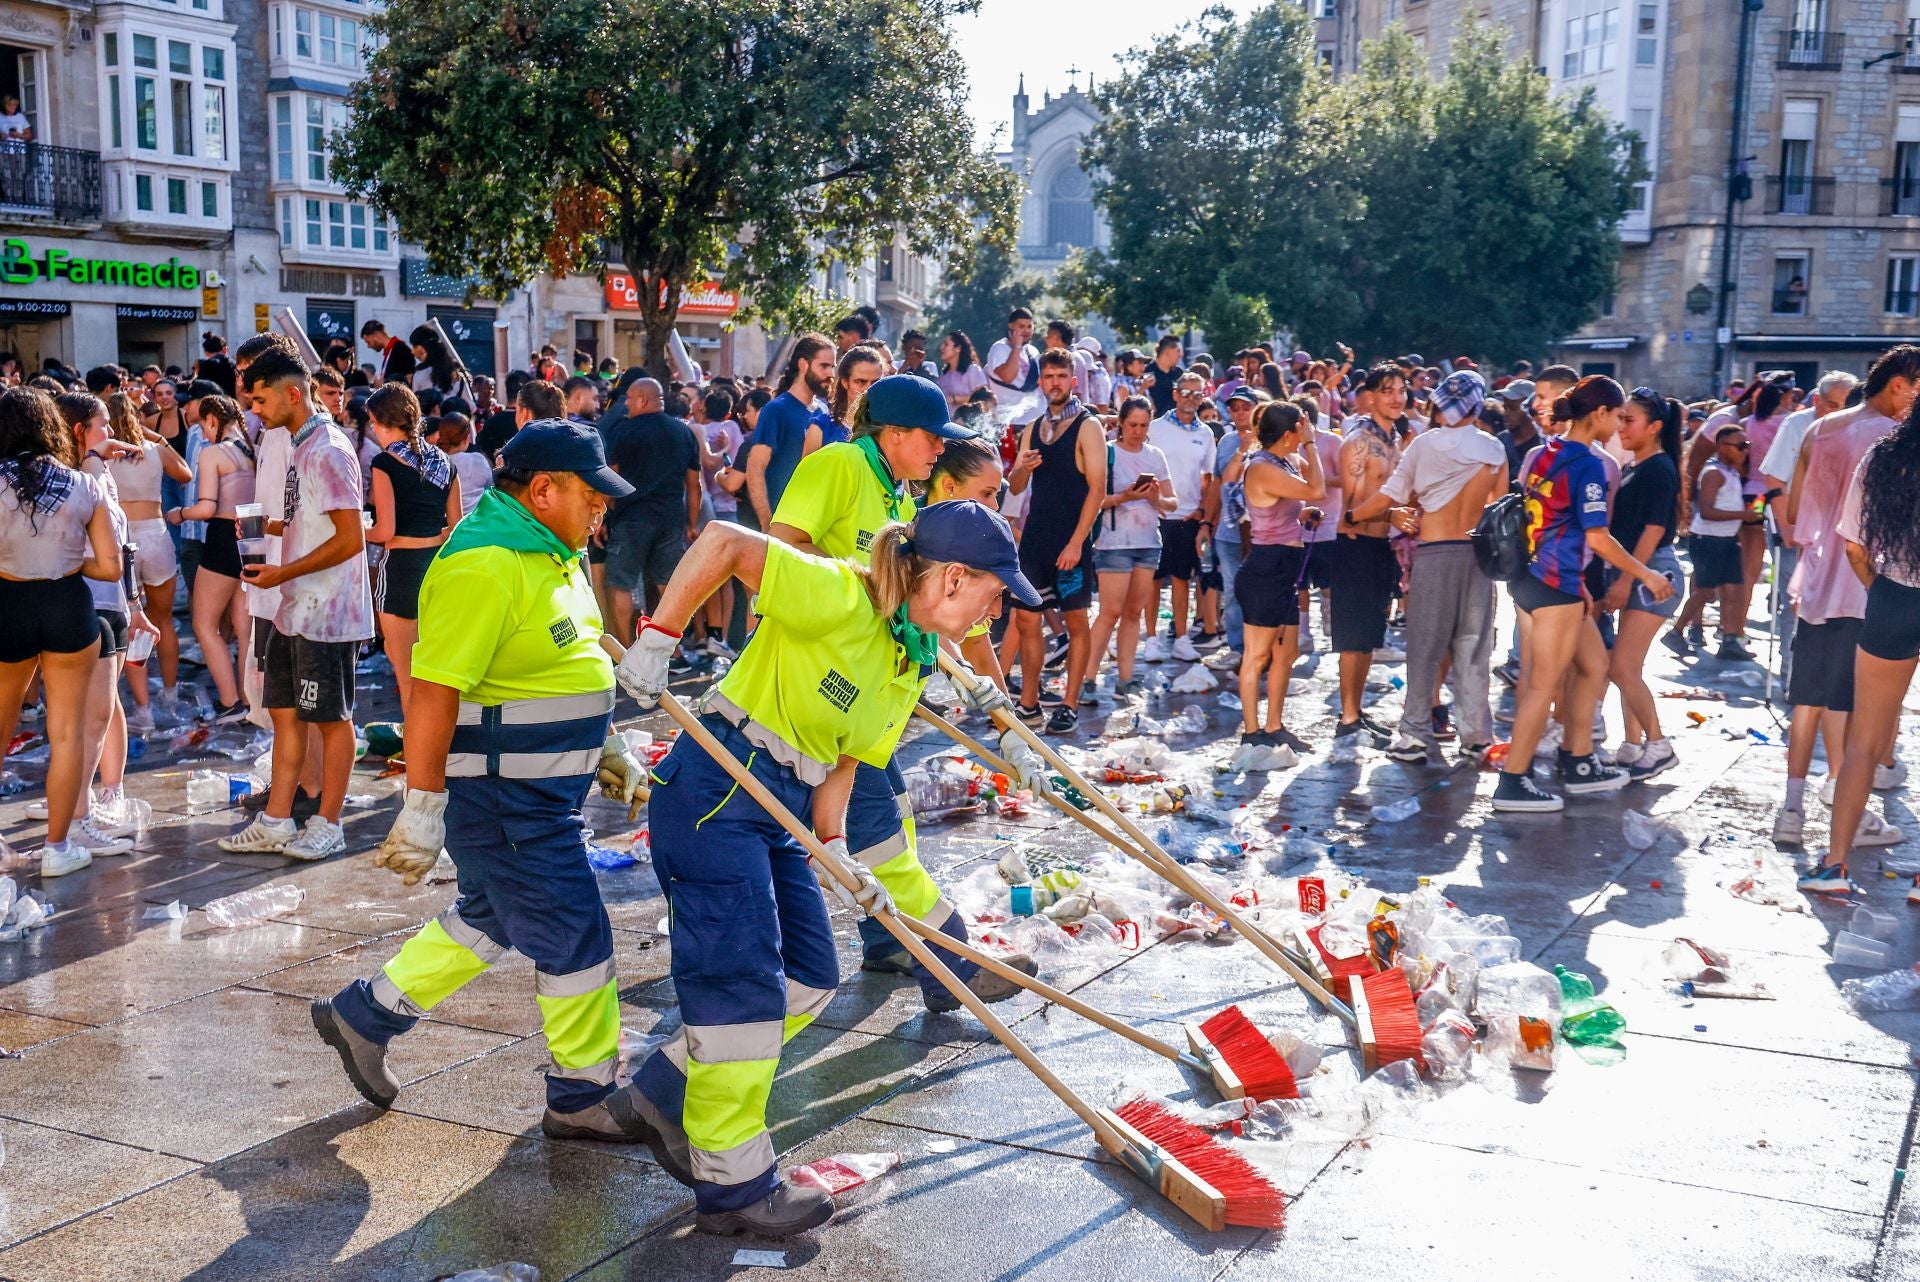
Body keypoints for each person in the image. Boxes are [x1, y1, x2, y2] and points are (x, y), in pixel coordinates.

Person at [608, 500, 1040, 1237]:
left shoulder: (909, 658)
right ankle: (733, 1182)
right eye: (993, 594)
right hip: (719, 785)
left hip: (781, 800)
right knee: (739, 992)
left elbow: (844, 764)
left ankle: (661, 1084)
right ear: (951, 579)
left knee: (810, 976)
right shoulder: (842, 594)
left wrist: (835, 849)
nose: (993, 613)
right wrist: (657, 640)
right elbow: (722, 543)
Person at [312, 418, 653, 1150]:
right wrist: (423, 807)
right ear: (542, 490)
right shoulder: (483, 563)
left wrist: (608, 745)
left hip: (538, 795)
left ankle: (363, 1015)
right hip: (504, 801)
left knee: (491, 915)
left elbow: (568, 667)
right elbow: (434, 692)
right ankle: (582, 1095)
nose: (603, 512)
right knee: (575, 936)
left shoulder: (552, 554)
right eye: (593, 498)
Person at [770, 372, 1031, 1006]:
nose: (940, 449)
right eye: (931, 438)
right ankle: (952, 970)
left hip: (875, 688)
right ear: (893, 434)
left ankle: (890, 940)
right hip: (821, 684)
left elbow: (927, 599)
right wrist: (862, 594)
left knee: (891, 817)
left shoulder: (900, 497)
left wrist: (997, 711)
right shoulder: (839, 465)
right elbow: (779, 550)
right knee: (879, 829)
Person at [1493, 377, 1674, 812]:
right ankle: (1513, 782)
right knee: (1542, 684)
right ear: (1598, 414)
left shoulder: (1546, 452)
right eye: (1616, 415)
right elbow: (1597, 536)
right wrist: (1645, 574)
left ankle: (1578, 762)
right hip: (1555, 585)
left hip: (1538, 579)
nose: (1617, 424)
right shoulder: (1589, 464)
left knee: (1595, 667)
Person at [220, 349, 372, 859]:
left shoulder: (329, 448)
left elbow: (352, 538)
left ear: (291, 393)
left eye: (260, 399)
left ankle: (330, 822)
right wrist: (276, 530)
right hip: (294, 605)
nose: (254, 410)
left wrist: (283, 569)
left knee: (332, 719)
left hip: (328, 612)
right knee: (285, 713)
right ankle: (277, 820)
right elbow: (317, 519)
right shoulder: (299, 444)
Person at [1776, 348, 1920, 855]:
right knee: (1853, 706)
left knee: (1809, 695)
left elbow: (1795, 511)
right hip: (1873, 584)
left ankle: (1791, 809)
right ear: (1901, 385)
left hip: (1817, 576)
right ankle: (1845, 809)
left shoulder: (1823, 428)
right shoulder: (1893, 441)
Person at [1345, 370, 1507, 764]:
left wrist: (1351, 516)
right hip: (1477, 555)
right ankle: (1475, 737)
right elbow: (1497, 505)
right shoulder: (1493, 449)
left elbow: (1391, 495)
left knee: (1424, 647)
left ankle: (1414, 735)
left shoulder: (1425, 445)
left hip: (1435, 553)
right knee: (1473, 649)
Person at [0, 388, 123, 875]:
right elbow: (112, 568)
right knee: (68, 733)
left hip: (8, 603)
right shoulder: (81, 485)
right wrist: (69, 560)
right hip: (68, 605)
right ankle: (57, 848)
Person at [56, 392, 157, 857]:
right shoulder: (69, 479)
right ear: (79, 431)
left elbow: (125, 548)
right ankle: (74, 819)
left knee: (98, 715)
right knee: (85, 721)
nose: (111, 435)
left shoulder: (98, 474)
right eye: (102, 427)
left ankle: (83, 809)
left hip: (114, 604)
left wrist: (136, 607)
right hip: (85, 605)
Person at [1006, 349, 1108, 734]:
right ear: (1041, 383)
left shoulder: (1088, 426)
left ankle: (1069, 703)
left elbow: (1097, 491)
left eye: (1061, 376)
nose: (1055, 383)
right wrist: (1021, 468)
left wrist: (1077, 543)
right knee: (1026, 619)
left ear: (1073, 381)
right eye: (1048, 377)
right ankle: (1029, 704)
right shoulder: (1033, 428)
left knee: (1076, 622)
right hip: (1035, 541)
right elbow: (1015, 486)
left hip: (1071, 542)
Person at [1596, 389, 1685, 779]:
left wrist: (1625, 579)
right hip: (1640, 570)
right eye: (1621, 418)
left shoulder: (1657, 468)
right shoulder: (1638, 465)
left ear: (1655, 427)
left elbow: (1652, 531)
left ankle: (1658, 745)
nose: (1621, 426)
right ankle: (1633, 745)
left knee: (1622, 668)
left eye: (1629, 419)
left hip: (1652, 572)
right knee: (1627, 668)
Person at [1230, 402, 1326, 763]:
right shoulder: (1261, 466)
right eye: (1300, 430)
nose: (1304, 435)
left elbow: (1286, 504)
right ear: (1290, 434)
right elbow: (1316, 488)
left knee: (1287, 651)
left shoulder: (1284, 462)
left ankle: (1274, 725)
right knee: (1257, 655)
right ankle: (1252, 732)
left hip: (1287, 566)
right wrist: (1312, 445)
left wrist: (1302, 514)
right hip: (1265, 569)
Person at [366, 384, 461, 719]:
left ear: (383, 422)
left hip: (401, 570)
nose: (373, 431)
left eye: (373, 424)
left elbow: (385, 531)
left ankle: (417, 759)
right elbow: (456, 527)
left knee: (407, 678)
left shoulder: (384, 463)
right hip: (437, 568)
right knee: (438, 674)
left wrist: (354, 530)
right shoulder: (445, 463)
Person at [1330, 363, 1412, 748]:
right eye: (1388, 390)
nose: (1397, 397)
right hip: (1354, 546)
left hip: (1381, 546)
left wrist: (1397, 513)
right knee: (1352, 636)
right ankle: (1347, 717)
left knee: (1369, 637)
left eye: (1402, 390)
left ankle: (1356, 711)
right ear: (1371, 396)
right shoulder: (1359, 442)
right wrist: (1391, 509)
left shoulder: (1394, 441)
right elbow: (1351, 509)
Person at [104, 389, 191, 732]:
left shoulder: (104, 456)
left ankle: (145, 712)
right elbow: (184, 474)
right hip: (156, 536)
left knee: (131, 625)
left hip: (123, 540)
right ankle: (169, 695)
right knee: (164, 621)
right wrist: (155, 437)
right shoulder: (152, 449)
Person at [167, 394, 255, 721]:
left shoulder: (213, 453)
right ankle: (249, 700)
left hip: (222, 540)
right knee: (244, 628)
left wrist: (179, 514)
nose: (202, 434)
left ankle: (230, 702)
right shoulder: (252, 452)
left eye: (203, 425)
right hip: (252, 538)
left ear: (213, 420)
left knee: (204, 625)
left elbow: (206, 507)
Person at [1089, 395, 1177, 697]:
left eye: (1143, 425)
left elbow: (1172, 502)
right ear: (1121, 424)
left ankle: (1125, 678)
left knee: (1133, 613)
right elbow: (1093, 501)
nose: (1138, 431)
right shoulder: (1108, 453)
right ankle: (1086, 677)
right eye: (1132, 425)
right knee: (1109, 612)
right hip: (1113, 542)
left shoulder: (1155, 455)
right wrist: (1124, 497)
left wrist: (1154, 498)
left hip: (1148, 540)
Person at [601, 378, 700, 645]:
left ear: (643, 399)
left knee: (621, 584)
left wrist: (603, 515)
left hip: (631, 518)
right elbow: (694, 485)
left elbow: (611, 478)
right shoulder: (683, 432)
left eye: (630, 400)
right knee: (669, 587)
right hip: (671, 519)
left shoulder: (622, 431)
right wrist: (692, 523)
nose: (627, 405)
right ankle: (667, 652)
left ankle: (626, 650)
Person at [1666, 425, 1761, 658]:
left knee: (1734, 591)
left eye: (1746, 446)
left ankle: (1729, 641)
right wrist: (1743, 516)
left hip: (1726, 540)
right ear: (1721, 447)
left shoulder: (1731, 473)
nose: (1745, 451)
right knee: (1705, 591)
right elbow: (1706, 511)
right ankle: (1676, 632)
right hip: (1709, 540)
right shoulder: (1713, 474)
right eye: (1740, 446)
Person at [1144, 370, 1219, 662]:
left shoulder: (1206, 433)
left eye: (1196, 393)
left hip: (1188, 516)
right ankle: (1151, 638)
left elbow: (1209, 477)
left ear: (1203, 396)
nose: (1190, 398)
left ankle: (1182, 637)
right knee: (1153, 579)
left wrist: (1203, 513)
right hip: (1156, 514)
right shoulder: (1156, 427)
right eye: (1185, 392)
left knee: (1182, 580)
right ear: (1175, 394)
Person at [745, 334, 834, 531]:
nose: (830, 373)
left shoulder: (823, 411)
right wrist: (767, 522)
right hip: (781, 522)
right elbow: (755, 468)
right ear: (803, 365)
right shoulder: (776, 409)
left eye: (832, 367)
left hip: (812, 523)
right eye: (824, 366)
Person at [825, 345, 883, 446]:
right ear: (845, 382)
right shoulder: (823, 427)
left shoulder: (887, 429)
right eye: (860, 382)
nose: (868, 389)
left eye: (875, 382)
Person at [937, 330, 989, 408]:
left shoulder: (973, 370)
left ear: (958, 348)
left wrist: (954, 399)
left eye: (946, 344)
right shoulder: (944, 375)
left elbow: (984, 399)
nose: (941, 347)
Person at [1140, 335, 1185, 418]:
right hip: (1155, 421)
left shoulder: (1179, 373)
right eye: (1178, 351)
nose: (1181, 355)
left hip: (1176, 421)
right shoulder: (1147, 371)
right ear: (1168, 352)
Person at [362, 320, 416, 386]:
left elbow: (408, 380)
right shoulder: (390, 351)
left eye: (368, 342)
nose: (369, 346)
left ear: (376, 334)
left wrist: (382, 385)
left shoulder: (401, 350)